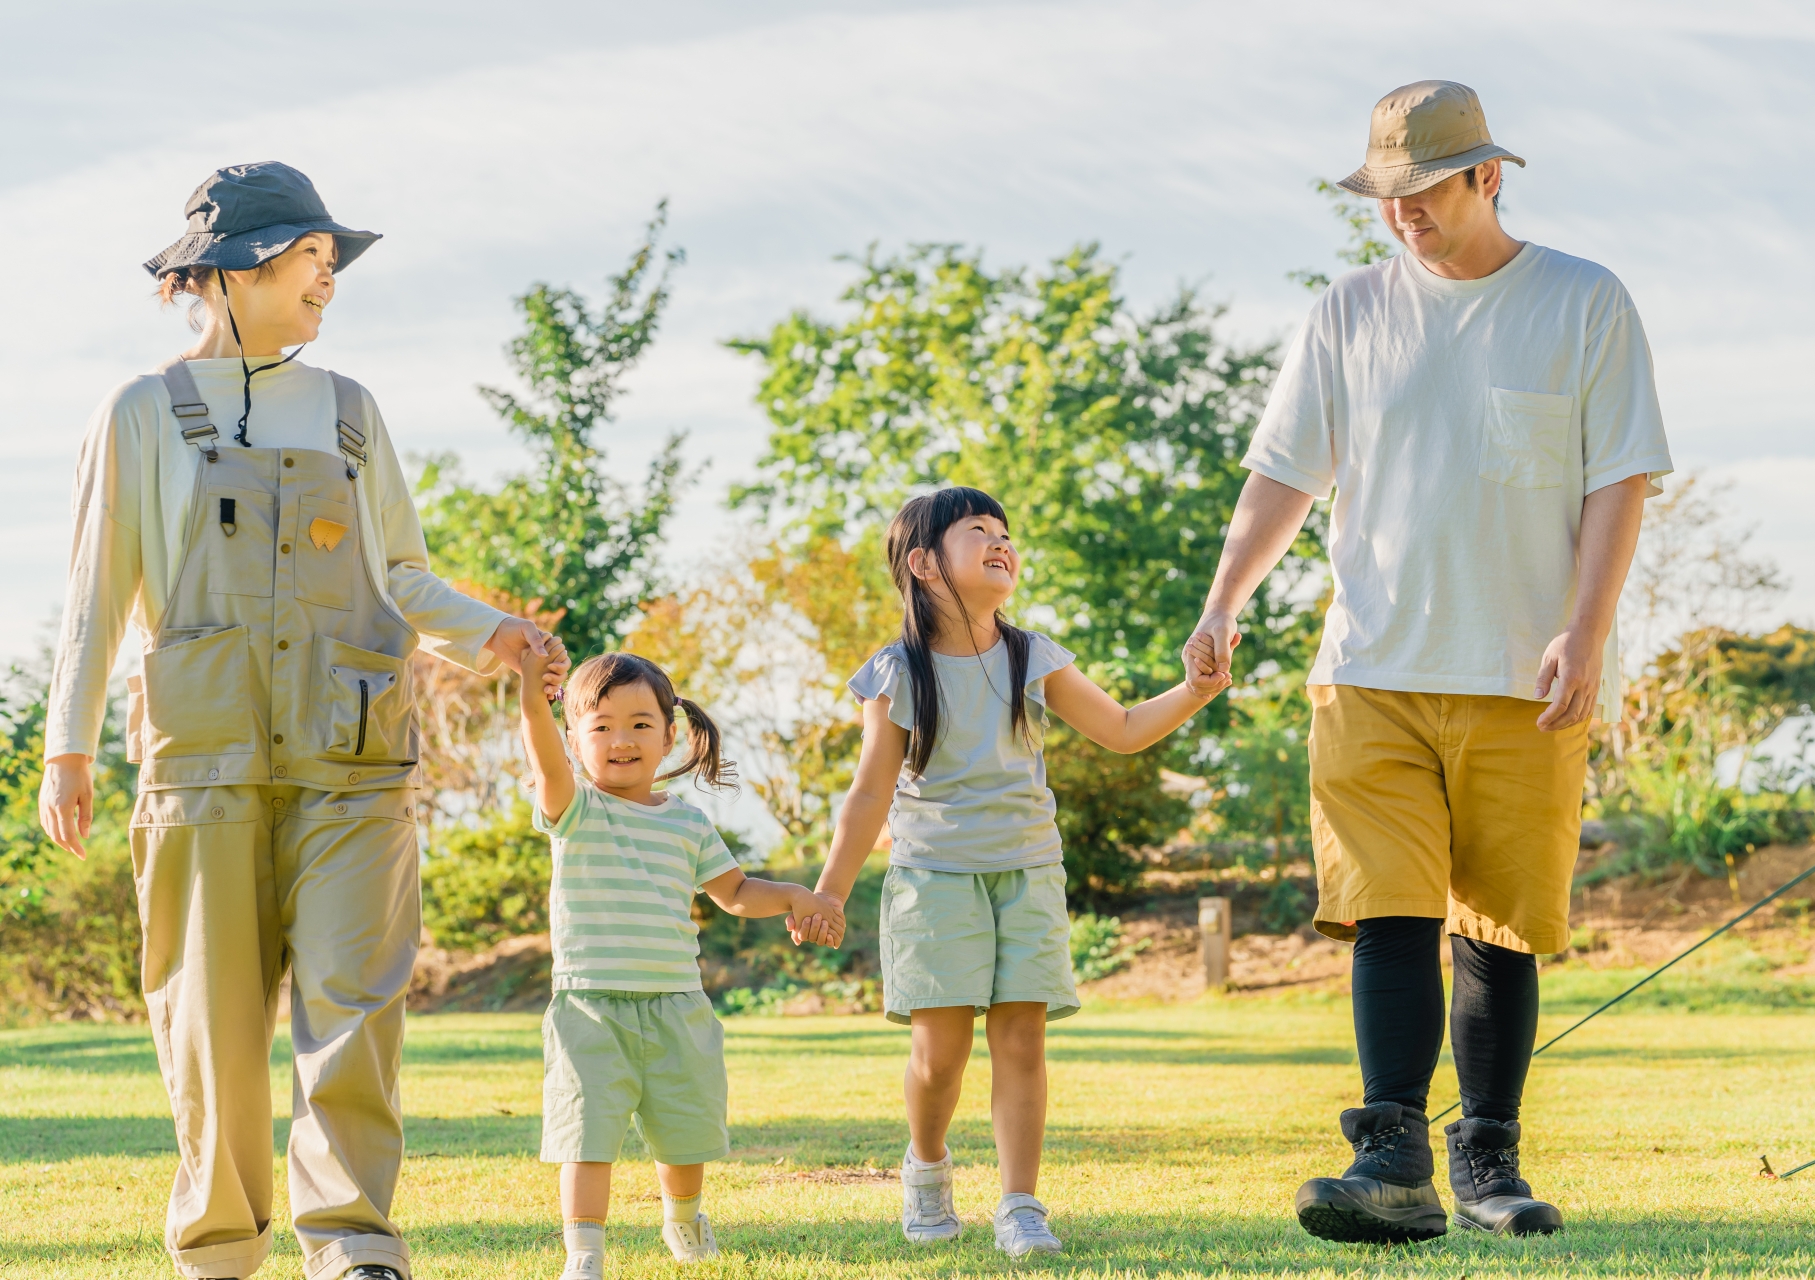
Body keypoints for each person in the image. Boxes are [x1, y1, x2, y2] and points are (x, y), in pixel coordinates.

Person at [36, 162, 567, 1280]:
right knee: (209, 1024)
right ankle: (222, 1246)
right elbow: (95, 591)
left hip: (355, 756)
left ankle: (354, 1245)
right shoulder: (139, 411)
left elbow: (402, 575)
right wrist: (67, 746)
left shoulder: (351, 409)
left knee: (355, 1008)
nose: (329, 280)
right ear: (234, 267)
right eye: (311, 259)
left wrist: (493, 631)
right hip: (202, 756)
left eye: (331, 261)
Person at [1185, 81, 1672, 1243]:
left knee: (1500, 924)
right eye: (1382, 195)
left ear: (1487, 176)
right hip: (1371, 667)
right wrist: (1223, 600)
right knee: (1388, 911)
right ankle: (1391, 1151)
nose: (1399, 213)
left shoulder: (1584, 302)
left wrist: (1587, 630)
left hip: (1523, 669)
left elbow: (1621, 479)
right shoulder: (1346, 313)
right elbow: (1285, 479)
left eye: (1421, 191)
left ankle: (1489, 1159)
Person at [793, 487, 1225, 1257]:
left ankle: (1019, 1205)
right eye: (978, 531)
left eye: (1004, 531)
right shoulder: (897, 672)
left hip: (1028, 871)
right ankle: (926, 1169)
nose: (1001, 542)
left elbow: (1122, 730)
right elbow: (868, 793)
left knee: (1022, 1039)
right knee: (941, 1052)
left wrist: (1194, 691)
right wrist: (830, 888)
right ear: (925, 564)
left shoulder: (1035, 656)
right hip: (934, 879)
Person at [517, 646, 845, 1273]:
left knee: (684, 1131)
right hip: (591, 1006)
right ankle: (584, 1253)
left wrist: (797, 898)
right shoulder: (576, 810)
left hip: (677, 1006)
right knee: (585, 1137)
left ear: (669, 735)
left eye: (641, 724)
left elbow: (738, 893)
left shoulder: (689, 824)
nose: (622, 740)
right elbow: (544, 757)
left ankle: (685, 1218)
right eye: (602, 726)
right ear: (573, 738)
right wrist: (534, 698)